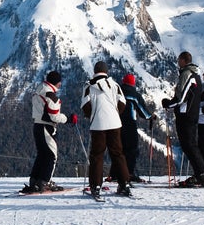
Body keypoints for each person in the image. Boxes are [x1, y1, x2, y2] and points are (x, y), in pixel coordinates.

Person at [22, 70, 77, 193]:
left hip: (37, 125)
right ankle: (44, 182)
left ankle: (34, 180)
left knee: (42, 154)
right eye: (60, 82)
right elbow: (54, 117)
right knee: (51, 155)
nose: (60, 84)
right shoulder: (51, 96)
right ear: (57, 83)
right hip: (47, 127)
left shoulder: (39, 89)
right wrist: (68, 119)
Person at [82, 61, 132, 197]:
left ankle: (96, 186)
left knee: (97, 155)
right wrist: (115, 114)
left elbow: (85, 105)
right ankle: (124, 184)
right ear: (106, 71)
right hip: (115, 123)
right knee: (118, 153)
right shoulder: (114, 85)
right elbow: (122, 102)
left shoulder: (89, 86)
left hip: (98, 124)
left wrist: (91, 116)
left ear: (94, 71)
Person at [161, 51, 204, 187]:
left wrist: (169, 103)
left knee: (189, 145)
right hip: (191, 114)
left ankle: (202, 174)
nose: (177, 62)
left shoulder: (187, 74)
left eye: (178, 60)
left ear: (183, 60)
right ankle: (201, 173)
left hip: (186, 115)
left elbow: (181, 97)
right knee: (189, 145)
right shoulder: (195, 75)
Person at [110, 73, 156, 183]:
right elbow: (143, 112)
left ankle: (114, 174)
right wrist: (151, 116)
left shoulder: (116, 92)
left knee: (118, 149)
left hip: (115, 123)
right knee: (131, 149)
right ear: (133, 83)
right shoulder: (134, 94)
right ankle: (128, 173)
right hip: (129, 123)